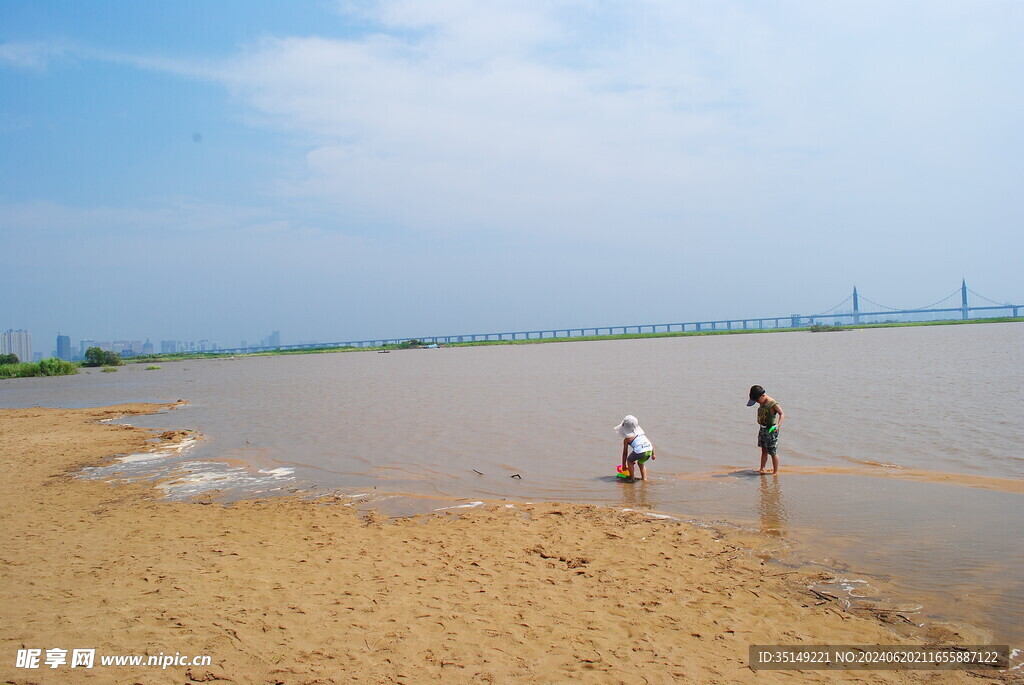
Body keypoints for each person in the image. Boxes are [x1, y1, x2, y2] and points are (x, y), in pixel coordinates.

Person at [747, 385, 784, 474]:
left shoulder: (772, 403)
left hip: (771, 429)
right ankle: (762, 468)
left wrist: (778, 425)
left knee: (772, 451)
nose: (757, 402)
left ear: (763, 395)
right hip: (762, 428)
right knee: (763, 450)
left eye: (757, 400)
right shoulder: (761, 401)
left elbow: (782, 414)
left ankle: (775, 472)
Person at [614, 415, 655, 482]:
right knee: (641, 463)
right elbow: (650, 443)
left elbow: (625, 453)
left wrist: (624, 465)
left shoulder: (627, 439)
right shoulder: (642, 435)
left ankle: (632, 478)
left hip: (640, 451)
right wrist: (653, 454)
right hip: (649, 450)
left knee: (629, 460)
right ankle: (644, 479)